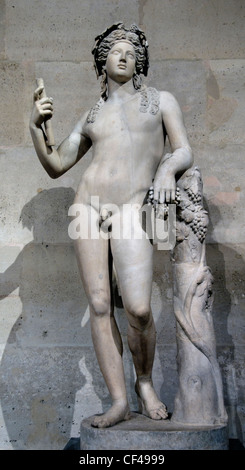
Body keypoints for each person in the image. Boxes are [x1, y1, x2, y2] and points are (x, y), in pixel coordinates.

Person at [29, 22, 193, 428]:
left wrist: (167, 171)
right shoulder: (92, 114)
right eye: (116, 51)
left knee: (138, 309)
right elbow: (56, 165)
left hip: (131, 210)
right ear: (102, 61)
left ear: (140, 63)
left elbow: (184, 148)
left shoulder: (160, 101)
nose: (124, 56)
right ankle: (118, 401)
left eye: (132, 52)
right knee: (100, 306)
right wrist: (35, 126)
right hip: (88, 208)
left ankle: (145, 382)